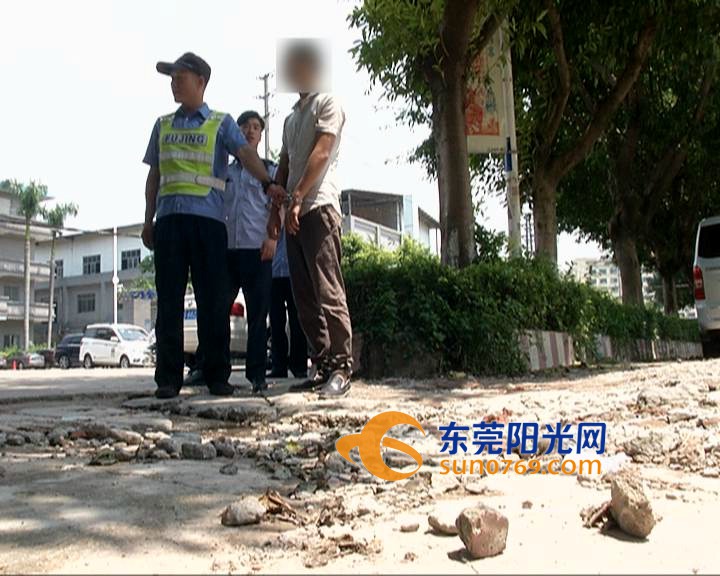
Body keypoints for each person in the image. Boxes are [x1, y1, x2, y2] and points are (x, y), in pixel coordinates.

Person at [142, 52, 284, 399]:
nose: (174, 84)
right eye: (172, 78)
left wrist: (268, 182)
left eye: (180, 77)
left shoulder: (221, 123)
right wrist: (148, 220)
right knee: (169, 301)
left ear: (201, 82)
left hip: (208, 223)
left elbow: (245, 154)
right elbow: (154, 175)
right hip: (169, 222)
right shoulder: (162, 124)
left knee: (213, 302)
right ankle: (168, 379)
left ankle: (217, 375)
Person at [268, 43, 352, 397]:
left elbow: (322, 152)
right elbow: (285, 165)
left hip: (319, 206)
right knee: (303, 295)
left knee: (328, 290)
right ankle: (323, 363)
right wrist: (276, 211)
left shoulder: (327, 103)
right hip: (294, 212)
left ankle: (342, 367)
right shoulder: (290, 119)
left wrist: (299, 196)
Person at [269, 226, 308, 379]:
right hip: (274, 272)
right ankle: (279, 366)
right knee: (276, 322)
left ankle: (299, 365)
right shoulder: (273, 216)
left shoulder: (296, 217)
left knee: (297, 321)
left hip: (294, 273)